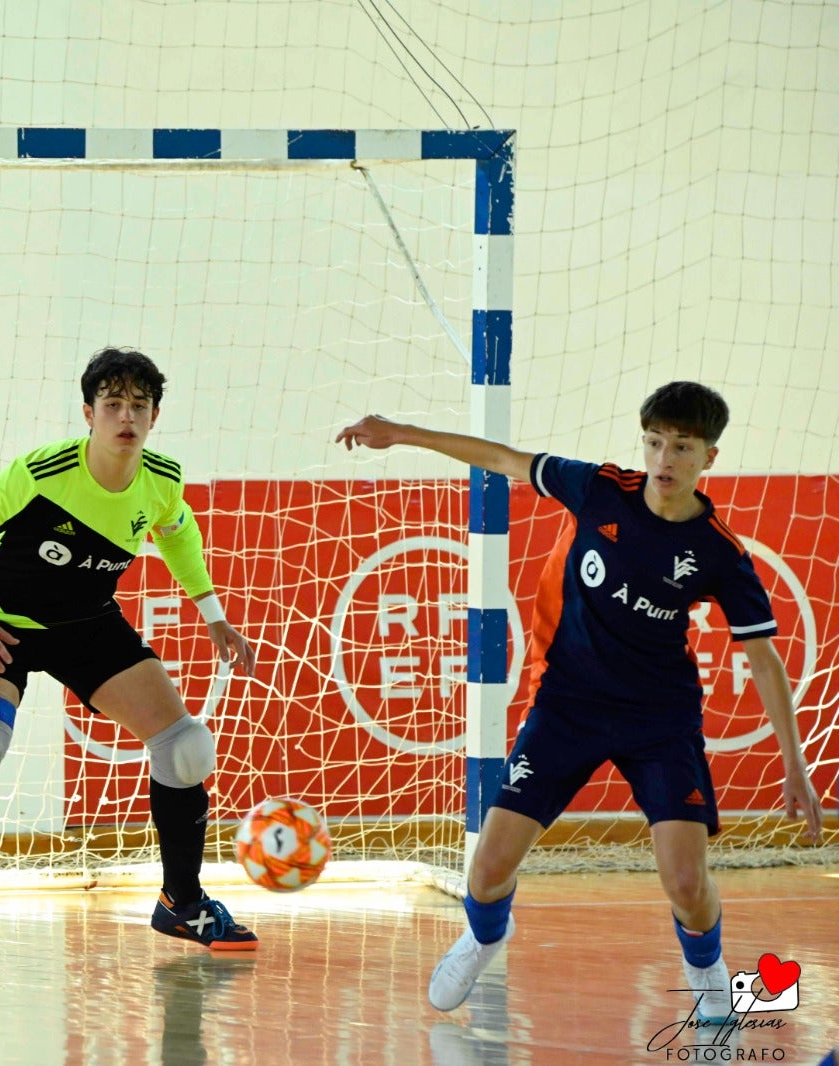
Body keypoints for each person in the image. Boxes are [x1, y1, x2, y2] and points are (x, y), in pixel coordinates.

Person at [335, 381, 823, 1021]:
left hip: (659, 721)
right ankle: (484, 937)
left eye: (682, 447)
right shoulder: (598, 489)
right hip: (568, 706)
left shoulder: (719, 552)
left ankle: (706, 969)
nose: (664, 459)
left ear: (709, 457)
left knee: (685, 883)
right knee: (487, 869)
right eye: (654, 442)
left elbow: (762, 657)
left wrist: (795, 764)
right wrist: (402, 433)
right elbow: (501, 458)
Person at [0, 347, 260, 955]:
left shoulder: (161, 480)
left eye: (139, 405)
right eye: (113, 404)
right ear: (88, 413)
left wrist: (213, 615)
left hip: (86, 623)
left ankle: (182, 904)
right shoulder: (44, 472)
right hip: (0, 623)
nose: (126, 416)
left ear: (155, 416)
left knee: (186, 748)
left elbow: (177, 534)